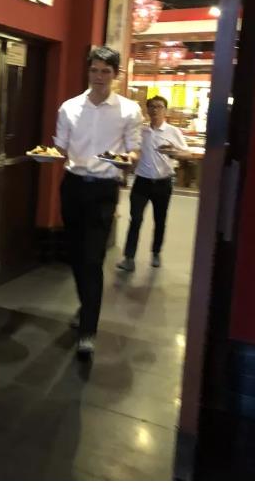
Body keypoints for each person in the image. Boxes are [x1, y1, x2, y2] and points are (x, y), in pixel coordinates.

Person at [54, 46, 143, 357]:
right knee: (76, 256)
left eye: (106, 71)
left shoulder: (129, 110)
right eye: (94, 70)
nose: (99, 76)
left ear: (115, 75)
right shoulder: (69, 108)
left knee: (92, 258)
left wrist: (128, 160)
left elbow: (134, 150)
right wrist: (46, 155)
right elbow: (60, 148)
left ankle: (88, 331)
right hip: (73, 186)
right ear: (88, 72)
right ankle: (86, 305)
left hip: (104, 190)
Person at [117, 95, 191, 272]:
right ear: (147, 110)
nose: (155, 110)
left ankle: (156, 252)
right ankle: (129, 257)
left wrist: (173, 153)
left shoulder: (173, 131)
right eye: (152, 107)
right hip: (141, 182)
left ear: (165, 110)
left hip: (163, 183)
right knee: (135, 219)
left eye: (159, 107)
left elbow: (187, 154)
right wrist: (124, 174)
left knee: (160, 220)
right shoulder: (141, 131)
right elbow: (130, 153)